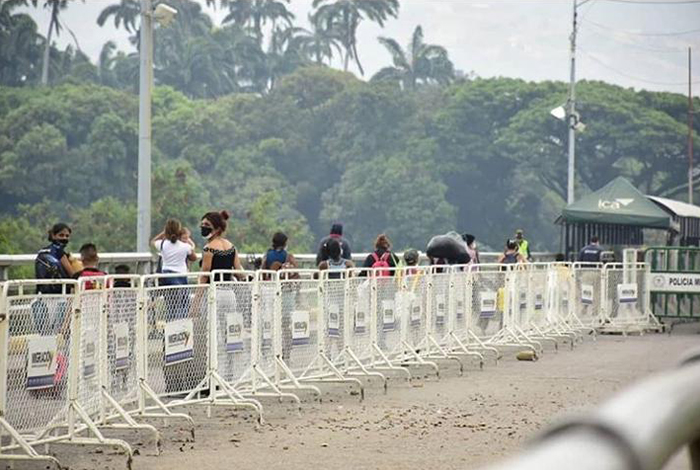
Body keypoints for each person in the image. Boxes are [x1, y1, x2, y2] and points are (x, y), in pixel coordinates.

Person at [200, 210, 242, 283]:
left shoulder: (209, 248)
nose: (203, 227)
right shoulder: (231, 247)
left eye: (207, 225)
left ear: (217, 229)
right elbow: (239, 272)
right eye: (202, 224)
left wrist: (198, 294)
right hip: (229, 290)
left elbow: (204, 276)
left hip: (213, 291)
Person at [152, 219, 196, 286]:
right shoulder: (185, 246)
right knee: (182, 296)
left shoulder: (162, 244)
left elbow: (153, 241)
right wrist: (190, 243)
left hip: (166, 275)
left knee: (169, 296)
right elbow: (193, 258)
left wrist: (163, 233)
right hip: (181, 274)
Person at [35, 223, 76, 294]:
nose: (64, 238)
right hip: (60, 294)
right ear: (53, 236)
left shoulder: (42, 251)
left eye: (67, 236)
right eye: (61, 235)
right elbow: (72, 274)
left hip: (42, 293)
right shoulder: (59, 252)